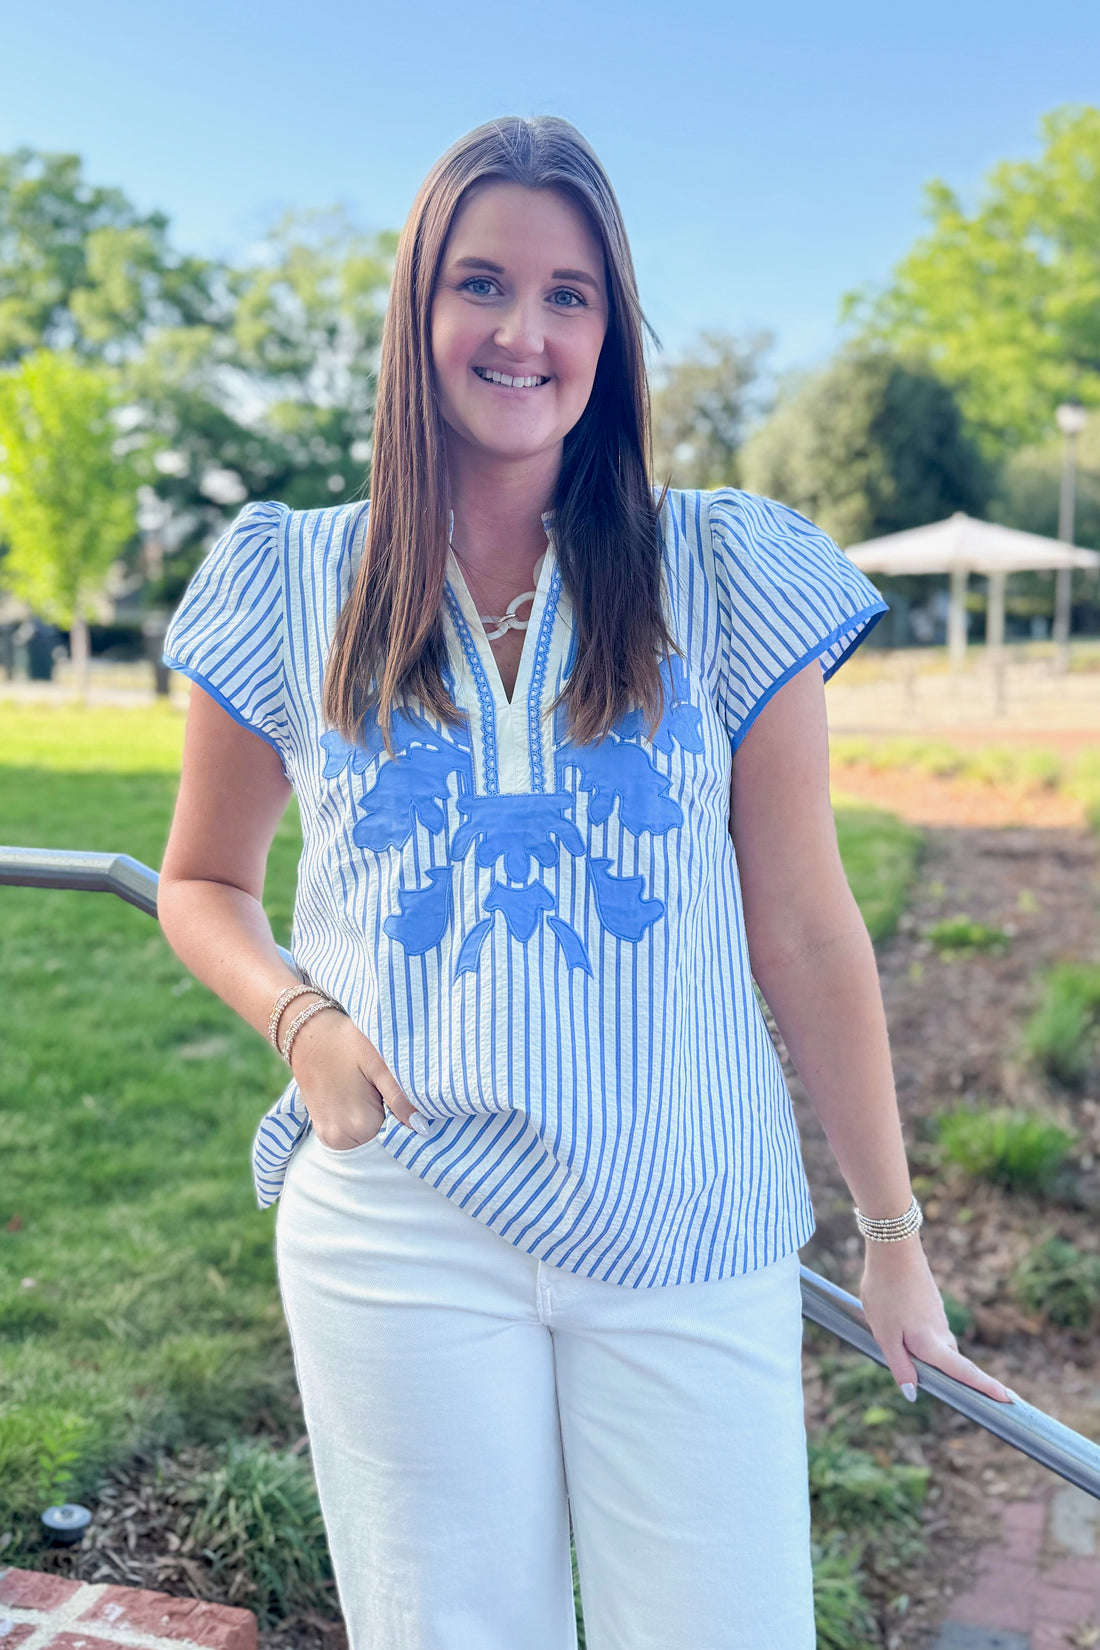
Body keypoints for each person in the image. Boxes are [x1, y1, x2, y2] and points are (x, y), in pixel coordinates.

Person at [157, 114, 1016, 1650]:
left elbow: (804, 923)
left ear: (611, 336)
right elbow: (201, 880)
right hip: (399, 1222)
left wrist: (894, 1235)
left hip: (689, 1223)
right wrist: (300, 1021)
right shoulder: (289, 579)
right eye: (482, 284)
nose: (525, 332)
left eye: (571, 296)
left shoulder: (725, 571)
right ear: (418, 309)